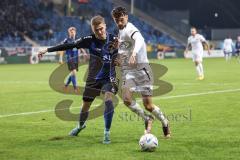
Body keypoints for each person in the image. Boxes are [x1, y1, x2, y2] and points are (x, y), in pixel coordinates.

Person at [38, 16, 119, 144]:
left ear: (105, 26)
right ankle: (80, 126)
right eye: (96, 30)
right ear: (93, 29)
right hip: (93, 78)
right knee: (85, 106)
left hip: (109, 77)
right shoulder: (89, 40)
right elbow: (69, 45)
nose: (99, 32)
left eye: (101, 28)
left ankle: (106, 133)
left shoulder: (115, 40)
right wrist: (47, 49)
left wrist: (120, 60)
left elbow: (123, 56)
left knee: (108, 101)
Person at [111, 6, 170, 138]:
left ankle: (165, 122)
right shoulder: (120, 33)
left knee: (148, 105)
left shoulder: (130, 28)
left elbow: (140, 40)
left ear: (126, 17)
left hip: (142, 70)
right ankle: (147, 119)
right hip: (129, 71)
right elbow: (123, 53)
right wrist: (120, 60)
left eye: (121, 19)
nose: (119, 23)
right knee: (126, 99)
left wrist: (134, 53)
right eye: (117, 21)